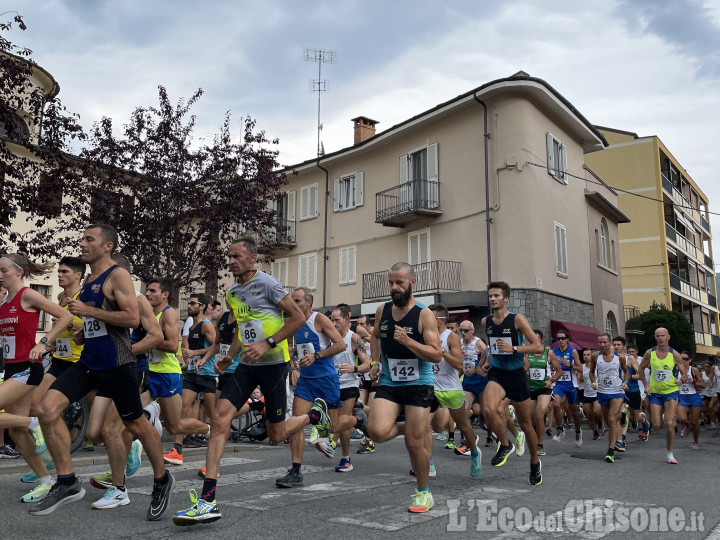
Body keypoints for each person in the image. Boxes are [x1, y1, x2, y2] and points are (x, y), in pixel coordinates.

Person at [32, 224, 174, 519]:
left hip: (119, 365)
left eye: (89, 239)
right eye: (82, 238)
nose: (82, 243)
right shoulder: (90, 280)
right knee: (46, 409)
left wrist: (90, 313)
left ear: (107, 246)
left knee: (134, 425)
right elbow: (100, 324)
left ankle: (161, 479)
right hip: (88, 363)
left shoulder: (117, 275)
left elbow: (132, 318)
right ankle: (68, 481)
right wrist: (85, 332)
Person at [173, 236, 308, 525]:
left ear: (252, 258)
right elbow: (241, 330)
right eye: (229, 256)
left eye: (236, 256)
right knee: (220, 419)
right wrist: (228, 355)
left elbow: (297, 317)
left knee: (276, 435)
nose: (231, 261)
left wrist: (268, 343)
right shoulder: (233, 292)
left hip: (273, 365)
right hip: (245, 365)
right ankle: (208, 499)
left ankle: (313, 415)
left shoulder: (268, 284)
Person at [86, 252, 164, 508]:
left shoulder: (139, 302)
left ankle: (119, 489)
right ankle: (134, 436)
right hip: (106, 369)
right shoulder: (103, 301)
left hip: (132, 369)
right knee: (94, 433)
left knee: (110, 429)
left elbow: (156, 336)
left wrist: (127, 351)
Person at [367, 262, 442, 513]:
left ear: (412, 283)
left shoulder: (424, 314)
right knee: (376, 432)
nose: (394, 287)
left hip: (419, 383)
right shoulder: (382, 310)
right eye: (391, 283)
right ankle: (408, 429)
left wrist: (408, 341)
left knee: (414, 443)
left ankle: (423, 492)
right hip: (390, 380)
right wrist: (375, 363)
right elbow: (376, 336)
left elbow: (436, 355)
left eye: (399, 283)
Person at [0, 253, 73, 503]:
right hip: (10, 369)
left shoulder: (28, 295)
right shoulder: (4, 302)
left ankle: (35, 423)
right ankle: (44, 481)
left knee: (21, 426)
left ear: (19, 272)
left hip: (28, 368)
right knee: (16, 432)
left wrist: (43, 342)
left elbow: (66, 317)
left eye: (3, 271)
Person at [277, 288, 368, 485]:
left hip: (326, 379)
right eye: (292, 301)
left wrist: (316, 356)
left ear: (308, 302)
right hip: (306, 381)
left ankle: (357, 420)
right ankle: (295, 471)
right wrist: (293, 354)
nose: (294, 304)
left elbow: (340, 345)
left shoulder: (319, 319)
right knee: (297, 423)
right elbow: (298, 348)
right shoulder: (294, 322)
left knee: (334, 426)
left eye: (298, 301)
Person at [478, 281, 543, 485]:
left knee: (525, 423)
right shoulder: (485, 322)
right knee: (488, 409)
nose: (492, 299)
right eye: (490, 296)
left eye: (496, 295)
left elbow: (538, 347)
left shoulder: (517, 320)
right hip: (498, 373)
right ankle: (505, 444)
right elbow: (492, 345)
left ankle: (534, 462)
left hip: (517, 375)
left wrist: (514, 349)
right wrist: (488, 362)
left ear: (506, 298)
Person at [144, 279, 211, 466]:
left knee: (175, 426)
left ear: (165, 294)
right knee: (132, 415)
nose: (148, 294)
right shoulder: (148, 313)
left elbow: (174, 346)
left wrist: (147, 343)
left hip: (167, 373)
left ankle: (210, 429)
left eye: (152, 290)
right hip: (148, 371)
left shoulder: (169, 314)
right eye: (147, 290)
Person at [428, 304, 481, 476]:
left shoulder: (450, 337)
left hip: (451, 388)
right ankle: (427, 461)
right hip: (431, 387)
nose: (427, 320)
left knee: (464, 425)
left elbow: (459, 364)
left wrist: (442, 353)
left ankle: (474, 453)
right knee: (427, 426)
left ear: (441, 320)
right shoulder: (426, 335)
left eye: (431, 317)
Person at [171, 293, 216, 461]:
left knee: (212, 414)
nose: (189, 306)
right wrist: (189, 359)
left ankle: (214, 444)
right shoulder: (191, 327)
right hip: (192, 373)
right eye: (189, 303)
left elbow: (215, 347)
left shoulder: (206, 326)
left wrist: (194, 352)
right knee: (182, 409)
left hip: (207, 374)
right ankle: (177, 450)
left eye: (192, 303)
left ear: (202, 306)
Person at [329, 306, 370, 472]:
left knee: (343, 420)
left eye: (336, 320)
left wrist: (354, 369)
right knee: (334, 421)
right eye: (332, 320)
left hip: (349, 384)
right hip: (332, 384)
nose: (333, 323)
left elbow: (367, 364)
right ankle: (360, 419)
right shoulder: (329, 337)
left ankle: (345, 459)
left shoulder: (354, 339)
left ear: (346, 320)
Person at [638, 327, 686, 464]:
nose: (660, 338)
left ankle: (670, 454)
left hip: (671, 391)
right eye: (658, 336)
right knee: (658, 425)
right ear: (655, 338)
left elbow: (684, 372)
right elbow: (641, 369)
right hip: (655, 393)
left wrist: (681, 380)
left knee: (670, 424)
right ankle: (649, 422)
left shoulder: (674, 354)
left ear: (668, 337)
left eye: (663, 335)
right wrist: (646, 385)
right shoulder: (649, 353)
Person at [588, 333, 629, 463]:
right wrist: (593, 381)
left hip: (617, 391)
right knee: (608, 421)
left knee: (611, 419)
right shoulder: (595, 356)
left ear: (610, 343)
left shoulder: (620, 357)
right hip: (602, 391)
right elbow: (591, 371)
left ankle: (610, 451)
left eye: (605, 342)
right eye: (600, 342)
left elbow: (626, 372)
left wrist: (625, 382)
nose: (602, 345)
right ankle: (621, 417)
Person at [524, 330, 562, 456]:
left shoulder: (548, 353)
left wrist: (551, 380)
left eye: (536, 339)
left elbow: (559, 371)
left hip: (544, 388)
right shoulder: (526, 353)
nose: (533, 341)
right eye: (531, 339)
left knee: (540, 414)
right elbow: (523, 369)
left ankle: (540, 445)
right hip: (531, 388)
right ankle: (533, 439)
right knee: (531, 418)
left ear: (541, 340)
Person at [550, 330, 584, 447]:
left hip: (570, 384)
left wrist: (569, 365)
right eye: (558, 339)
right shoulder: (553, 352)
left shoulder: (573, 352)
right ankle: (560, 429)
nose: (560, 341)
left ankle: (578, 431)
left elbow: (580, 369)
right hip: (559, 383)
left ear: (567, 339)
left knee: (573, 410)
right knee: (556, 404)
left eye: (563, 338)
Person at [459, 321, 490, 444]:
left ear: (472, 331)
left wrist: (478, 367)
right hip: (468, 382)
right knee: (464, 410)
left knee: (487, 413)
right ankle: (467, 438)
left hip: (481, 382)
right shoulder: (459, 343)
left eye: (466, 331)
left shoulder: (478, 342)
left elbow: (487, 353)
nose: (463, 333)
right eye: (461, 330)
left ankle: (494, 437)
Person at [677, 352, 704, 450]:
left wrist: (694, 382)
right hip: (682, 397)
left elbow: (703, 385)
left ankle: (695, 441)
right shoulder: (676, 370)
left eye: (686, 359)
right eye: (681, 359)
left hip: (694, 397)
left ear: (690, 360)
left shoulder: (694, 370)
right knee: (682, 418)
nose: (683, 361)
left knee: (694, 422)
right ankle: (686, 426)